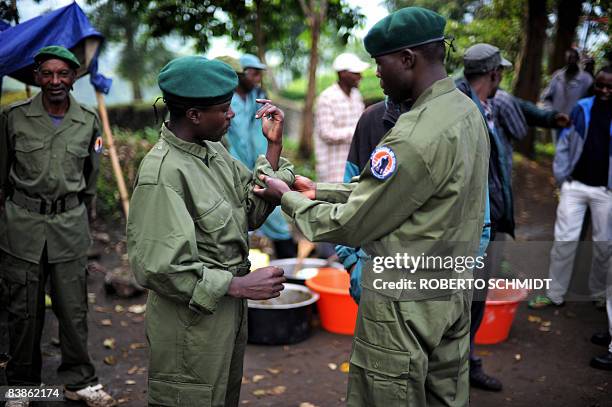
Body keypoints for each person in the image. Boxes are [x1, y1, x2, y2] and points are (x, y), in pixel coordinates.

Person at [255, 8, 490, 406]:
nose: (376, 76)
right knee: (444, 396)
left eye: (380, 65)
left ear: (407, 59)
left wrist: (288, 198)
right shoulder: (465, 113)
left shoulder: (412, 134)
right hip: (449, 293)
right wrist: (321, 190)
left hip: (403, 306)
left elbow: (353, 223)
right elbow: (407, 195)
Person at [126, 56, 293, 407]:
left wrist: (273, 147)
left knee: (222, 395)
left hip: (224, 313)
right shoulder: (163, 174)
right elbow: (158, 267)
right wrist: (236, 285)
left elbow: (251, 210)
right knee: (191, 397)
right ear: (194, 115)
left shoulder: (213, 151)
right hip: (190, 323)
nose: (232, 115)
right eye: (224, 108)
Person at [0, 46, 115, 407]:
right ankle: (22, 386)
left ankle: (79, 381)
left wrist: (83, 213)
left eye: (62, 74)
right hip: (22, 226)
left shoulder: (88, 120)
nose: (55, 81)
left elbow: (91, 176)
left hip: (68, 226)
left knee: (73, 308)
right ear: (36, 77)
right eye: (47, 74)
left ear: (74, 77)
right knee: (23, 311)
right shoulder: (13, 117)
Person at [529, 66, 611, 316]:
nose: (604, 90)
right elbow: (565, 142)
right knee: (564, 240)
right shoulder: (582, 107)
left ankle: (599, 294)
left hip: (605, 191)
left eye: (610, 87)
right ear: (593, 85)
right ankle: (555, 294)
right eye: (600, 85)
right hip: (574, 185)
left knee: (603, 246)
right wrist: (562, 177)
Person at [223, 53, 296, 258]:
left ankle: (288, 256)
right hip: (234, 168)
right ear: (240, 74)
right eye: (253, 73)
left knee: (269, 211)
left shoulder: (259, 98)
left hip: (260, 167)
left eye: (259, 74)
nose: (257, 78)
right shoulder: (226, 103)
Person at [314, 52, 369, 183]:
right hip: (333, 167)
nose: (360, 76)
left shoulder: (356, 96)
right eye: (356, 73)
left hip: (354, 163)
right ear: (342, 74)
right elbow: (327, 133)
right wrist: (358, 132)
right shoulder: (327, 98)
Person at [541, 48, 593, 141]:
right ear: (565, 59)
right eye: (569, 58)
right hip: (558, 121)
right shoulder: (557, 76)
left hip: (576, 124)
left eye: (573, 57)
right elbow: (546, 98)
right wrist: (552, 113)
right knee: (558, 149)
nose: (571, 60)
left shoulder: (586, 79)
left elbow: (591, 100)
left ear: (578, 59)